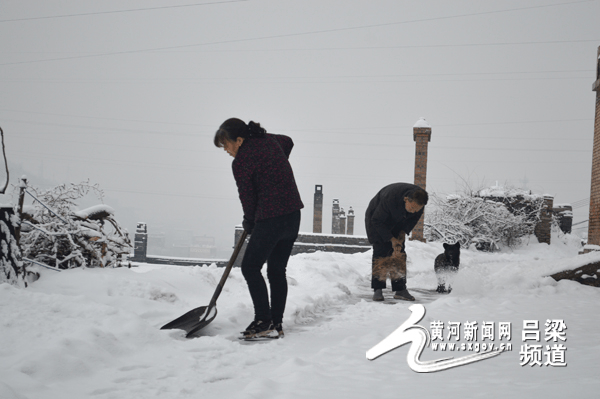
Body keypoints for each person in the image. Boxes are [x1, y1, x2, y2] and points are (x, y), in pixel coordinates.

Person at [214, 118, 303, 339]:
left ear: (240, 139)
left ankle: (263, 320)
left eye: (227, 144)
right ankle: (276, 322)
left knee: (250, 268)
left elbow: (247, 196)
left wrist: (249, 220)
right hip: (292, 215)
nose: (226, 150)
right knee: (276, 271)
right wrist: (275, 165)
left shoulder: (242, 161)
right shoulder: (271, 141)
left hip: (271, 218)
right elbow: (288, 141)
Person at [364, 183, 428, 301]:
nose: (414, 211)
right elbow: (377, 220)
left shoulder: (419, 203)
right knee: (381, 252)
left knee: (399, 253)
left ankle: (400, 289)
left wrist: (401, 236)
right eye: (412, 208)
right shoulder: (390, 198)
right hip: (377, 220)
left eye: (417, 209)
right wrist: (391, 239)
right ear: (406, 200)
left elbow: (411, 221)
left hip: (398, 222)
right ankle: (378, 289)